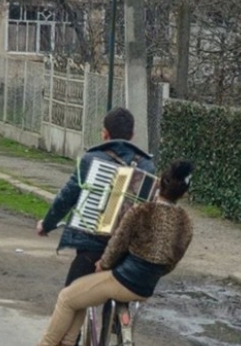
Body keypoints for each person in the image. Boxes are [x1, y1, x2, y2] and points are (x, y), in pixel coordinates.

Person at [9, 160, 195, 346]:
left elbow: (117, 243)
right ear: (183, 194)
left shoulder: (141, 211)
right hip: (146, 287)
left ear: (158, 185)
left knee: (67, 297)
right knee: (81, 295)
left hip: (123, 280)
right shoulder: (186, 222)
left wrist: (103, 265)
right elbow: (173, 259)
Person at [36, 107, 155, 287]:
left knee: (69, 300)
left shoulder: (91, 159)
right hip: (128, 250)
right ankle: (118, 312)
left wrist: (47, 224)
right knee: (119, 291)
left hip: (93, 245)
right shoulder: (147, 166)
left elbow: (66, 198)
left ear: (104, 134)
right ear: (132, 135)